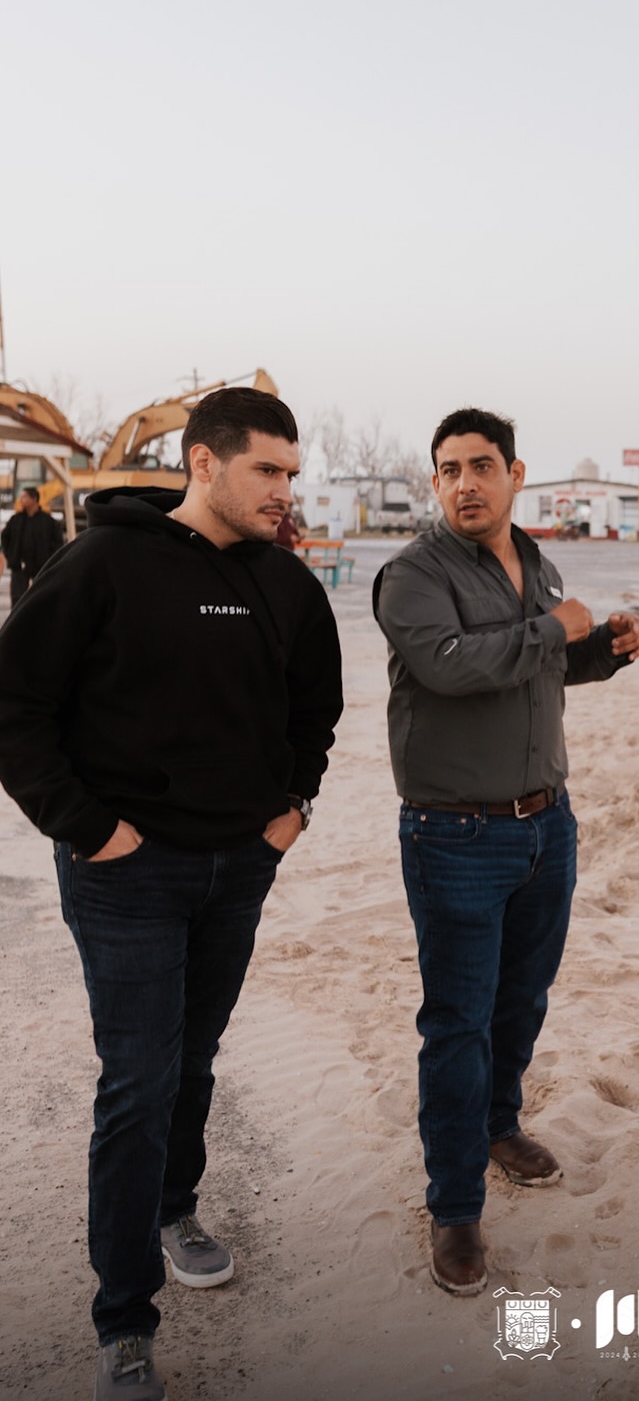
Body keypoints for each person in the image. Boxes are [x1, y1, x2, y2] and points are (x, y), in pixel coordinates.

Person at [0, 388, 344, 1400]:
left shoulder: (286, 585)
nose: (285, 491)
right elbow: (16, 706)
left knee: (192, 1059)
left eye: (292, 473)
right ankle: (124, 1319)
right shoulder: (103, 562)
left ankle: (176, 1203)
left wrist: (293, 812)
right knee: (139, 1079)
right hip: (126, 874)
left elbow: (314, 712)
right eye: (267, 472)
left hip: (239, 866)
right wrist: (89, 828)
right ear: (202, 463)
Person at [373, 406, 639, 1295]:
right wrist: (555, 629)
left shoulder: (537, 562)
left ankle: (499, 1125)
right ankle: (455, 1211)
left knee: (521, 1001)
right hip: (455, 834)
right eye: (448, 469)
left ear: (515, 474)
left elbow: (546, 667)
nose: (464, 484)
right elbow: (454, 665)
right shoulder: (411, 575)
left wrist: (604, 649)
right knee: (456, 1022)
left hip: (545, 826)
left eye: (481, 465)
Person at [0, 484, 65, 603]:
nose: (21, 500)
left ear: (34, 498)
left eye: (24, 496)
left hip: (41, 566)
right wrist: (11, 556)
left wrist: (50, 559)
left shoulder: (48, 521)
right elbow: (5, 537)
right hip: (19, 566)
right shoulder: (16, 519)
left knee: (41, 598)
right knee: (17, 599)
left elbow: (58, 542)